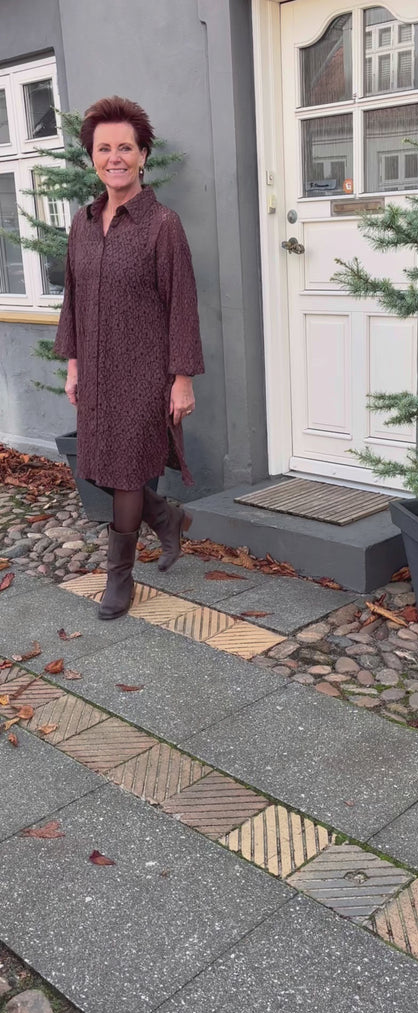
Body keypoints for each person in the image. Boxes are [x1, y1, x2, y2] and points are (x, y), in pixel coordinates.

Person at [54, 96, 204, 620]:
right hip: (95, 371)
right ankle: (165, 519)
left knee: (123, 472)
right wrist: (73, 365)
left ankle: (119, 577)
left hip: (144, 372)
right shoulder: (83, 222)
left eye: (125, 147)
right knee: (97, 465)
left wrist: (182, 379)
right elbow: (73, 298)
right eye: (103, 148)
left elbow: (182, 304)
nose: (114, 157)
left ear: (143, 156)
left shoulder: (162, 224)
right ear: (92, 157)